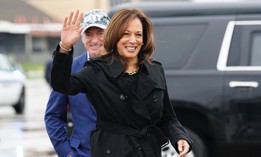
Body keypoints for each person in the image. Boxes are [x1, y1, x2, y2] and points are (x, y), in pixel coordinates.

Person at [51, 8, 193, 157]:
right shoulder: (97, 70)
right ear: (114, 36)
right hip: (112, 151)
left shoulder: (155, 70)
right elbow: (62, 84)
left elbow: (167, 116)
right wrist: (64, 48)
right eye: (126, 34)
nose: (133, 40)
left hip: (148, 150)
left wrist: (180, 137)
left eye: (138, 34)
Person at [44, 9, 110, 157]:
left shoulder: (122, 67)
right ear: (82, 37)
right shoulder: (70, 69)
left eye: (100, 33)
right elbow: (53, 116)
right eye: (88, 34)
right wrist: (67, 153)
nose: (94, 40)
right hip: (82, 153)